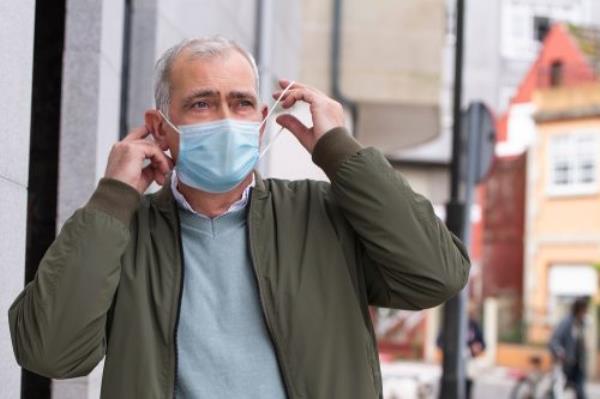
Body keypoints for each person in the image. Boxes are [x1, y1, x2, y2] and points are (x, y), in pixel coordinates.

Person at [8, 36, 470, 398]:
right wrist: (112, 197)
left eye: (241, 102)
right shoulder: (121, 232)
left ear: (263, 117)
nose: (226, 118)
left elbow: (438, 275)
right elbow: (50, 352)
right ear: (159, 127)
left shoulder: (323, 215)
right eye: (202, 103)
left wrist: (341, 154)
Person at [549, 297, 590, 399]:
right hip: (566, 365)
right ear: (578, 309)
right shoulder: (566, 323)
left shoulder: (581, 324)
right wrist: (559, 351)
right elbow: (554, 340)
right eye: (584, 310)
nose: (585, 313)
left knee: (580, 392)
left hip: (577, 365)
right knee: (557, 391)